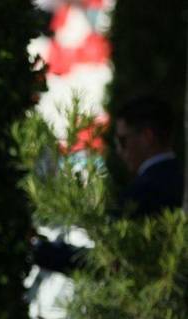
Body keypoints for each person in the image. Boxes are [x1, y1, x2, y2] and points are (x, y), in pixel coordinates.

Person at [33, 94, 185, 273]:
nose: (119, 150)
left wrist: (39, 251)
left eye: (122, 140)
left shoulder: (144, 192)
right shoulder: (177, 176)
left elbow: (111, 265)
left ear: (147, 137)